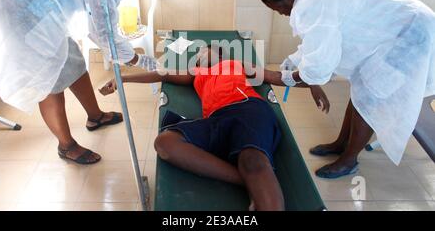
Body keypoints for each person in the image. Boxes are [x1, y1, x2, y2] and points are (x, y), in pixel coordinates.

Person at [100, 44, 330, 210]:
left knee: (252, 160)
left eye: (203, 51)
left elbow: (277, 76)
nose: (199, 56)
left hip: (247, 110)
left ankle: (252, 179)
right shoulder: (196, 74)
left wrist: (313, 83)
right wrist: (124, 79)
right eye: (198, 56)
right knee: (165, 142)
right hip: (216, 121)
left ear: (219, 53)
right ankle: (244, 179)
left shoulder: (236, 64)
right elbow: (162, 74)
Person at [0, 0, 157, 164]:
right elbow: (103, 31)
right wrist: (137, 59)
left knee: (73, 61)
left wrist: (128, 56)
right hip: (24, 10)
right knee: (51, 81)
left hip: (41, 7)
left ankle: (95, 117)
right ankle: (66, 146)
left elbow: (97, 26)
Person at [259, 0, 435, 178]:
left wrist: (281, 78)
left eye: (278, 8)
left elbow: (318, 64)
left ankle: (349, 161)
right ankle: (341, 144)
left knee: (370, 97)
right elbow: (318, 45)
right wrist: (295, 63)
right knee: (360, 90)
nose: (281, 13)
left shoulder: (310, 6)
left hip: (410, 35)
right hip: (398, 29)